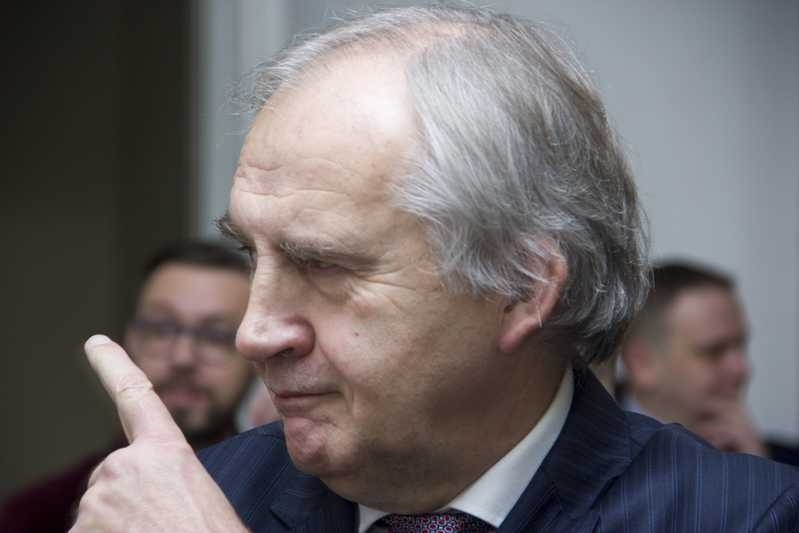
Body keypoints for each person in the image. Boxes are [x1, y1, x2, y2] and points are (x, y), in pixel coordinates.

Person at [70, 6, 799, 532]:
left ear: (520, 286)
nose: (254, 334)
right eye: (251, 253)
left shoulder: (744, 516)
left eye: (320, 264)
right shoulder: (206, 494)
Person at [0, 239, 265, 532]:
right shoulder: (32, 516)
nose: (183, 357)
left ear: (256, 355)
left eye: (216, 336)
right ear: (129, 340)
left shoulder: (294, 501)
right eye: (160, 328)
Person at [621, 260, 799, 464]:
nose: (742, 368)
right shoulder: (593, 464)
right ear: (641, 364)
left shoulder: (785, 467)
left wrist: (759, 472)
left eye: (740, 345)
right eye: (713, 352)